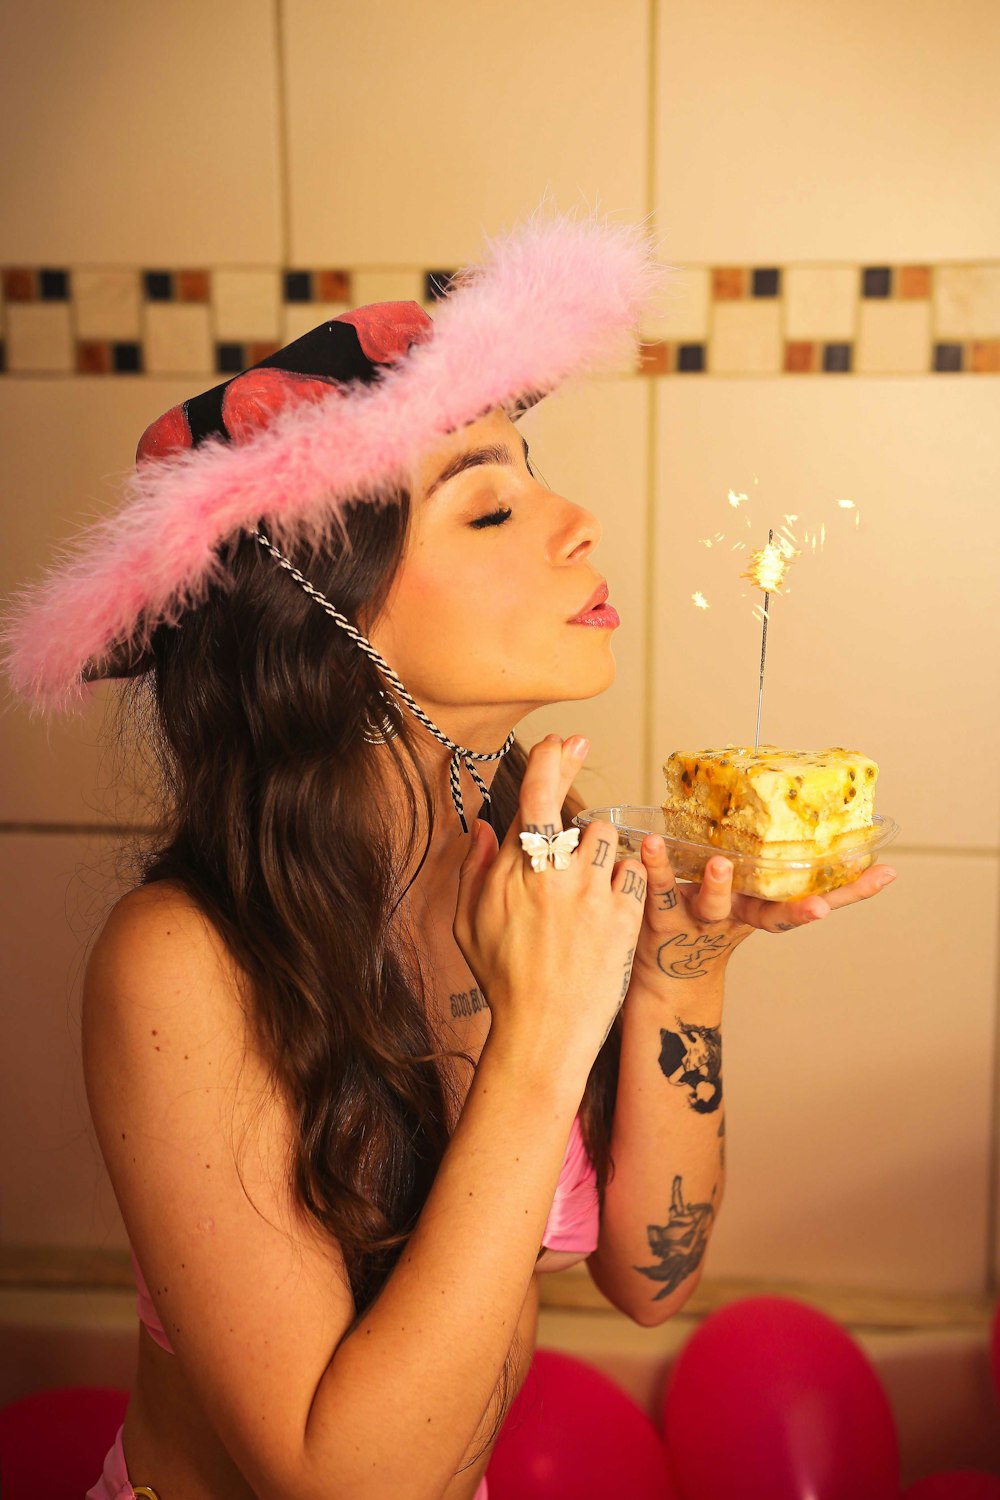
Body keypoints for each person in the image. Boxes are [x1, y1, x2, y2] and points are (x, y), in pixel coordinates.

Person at [0, 213, 896, 1500]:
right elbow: (346, 1482)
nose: (579, 522)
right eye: (488, 509)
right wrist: (537, 1044)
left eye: (533, 475)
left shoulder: (526, 863)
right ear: (326, 630)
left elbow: (652, 1280)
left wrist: (680, 976)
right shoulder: (183, 964)